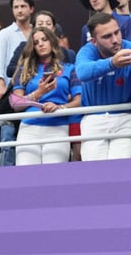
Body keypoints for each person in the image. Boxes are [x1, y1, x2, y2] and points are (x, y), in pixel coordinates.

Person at [74, 13, 131, 161]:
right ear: (94, 41)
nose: (115, 40)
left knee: (122, 171)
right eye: (107, 36)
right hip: (93, 118)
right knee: (94, 175)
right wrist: (112, 63)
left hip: (126, 117)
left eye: (117, 32)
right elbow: (82, 73)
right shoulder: (87, 50)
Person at [10, 26, 80, 165]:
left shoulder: (69, 68)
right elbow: (15, 104)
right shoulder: (24, 70)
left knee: (54, 178)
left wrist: (59, 107)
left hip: (58, 127)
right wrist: (38, 93)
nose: (40, 44)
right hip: (28, 128)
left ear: (52, 42)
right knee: (26, 177)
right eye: (36, 42)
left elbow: (79, 100)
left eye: (44, 39)